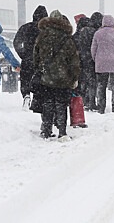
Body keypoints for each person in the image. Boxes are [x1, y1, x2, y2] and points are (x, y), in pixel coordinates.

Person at [33, 10, 80, 141]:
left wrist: (40, 69)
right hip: (63, 77)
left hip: (46, 77)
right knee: (61, 104)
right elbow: (74, 60)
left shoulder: (42, 37)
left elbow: (35, 57)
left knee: (48, 103)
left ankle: (46, 130)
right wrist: (74, 76)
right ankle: (62, 132)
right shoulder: (67, 38)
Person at [13, 5, 48, 109]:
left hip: (27, 58)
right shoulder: (46, 29)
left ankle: (26, 95)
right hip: (41, 60)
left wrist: (22, 54)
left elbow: (16, 42)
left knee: (25, 79)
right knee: (40, 80)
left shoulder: (26, 27)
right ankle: (38, 100)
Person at [91, 15, 114, 113]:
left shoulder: (97, 33)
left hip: (101, 63)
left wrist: (96, 59)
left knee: (101, 86)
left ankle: (101, 106)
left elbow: (93, 49)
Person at [78, 12, 103, 112]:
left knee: (84, 80)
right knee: (93, 82)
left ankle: (84, 101)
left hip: (83, 58)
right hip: (93, 59)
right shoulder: (96, 32)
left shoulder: (83, 30)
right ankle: (91, 102)